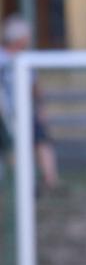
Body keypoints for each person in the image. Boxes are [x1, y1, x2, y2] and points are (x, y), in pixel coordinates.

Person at [0, 14, 62, 192]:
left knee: (42, 140)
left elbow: (35, 87)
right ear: (18, 38)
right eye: (26, 35)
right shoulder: (2, 58)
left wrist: (40, 108)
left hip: (25, 112)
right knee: (13, 147)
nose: (29, 39)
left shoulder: (26, 59)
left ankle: (50, 181)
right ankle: (24, 185)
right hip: (6, 114)